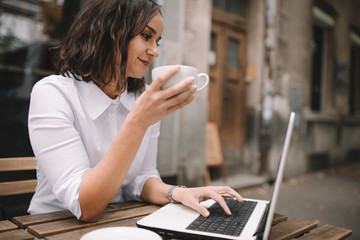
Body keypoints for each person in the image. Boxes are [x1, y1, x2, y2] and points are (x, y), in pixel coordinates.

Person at [28, 0, 242, 222]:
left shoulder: (141, 98)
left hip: (119, 221)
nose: (155, 52)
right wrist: (138, 121)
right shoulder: (53, 94)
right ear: (111, 31)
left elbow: (141, 177)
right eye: (146, 36)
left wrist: (178, 193)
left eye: (158, 41)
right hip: (55, 226)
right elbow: (86, 206)